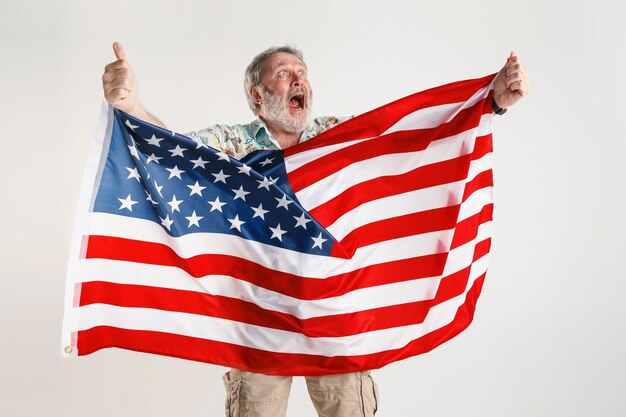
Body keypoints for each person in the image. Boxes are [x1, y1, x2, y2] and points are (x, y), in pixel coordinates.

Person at [102, 42, 529, 417]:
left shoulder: (338, 136)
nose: (297, 80)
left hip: (334, 315)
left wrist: (489, 102)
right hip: (259, 316)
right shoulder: (232, 142)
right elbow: (176, 153)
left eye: (301, 73)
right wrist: (133, 107)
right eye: (284, 74)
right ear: (258, 94)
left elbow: (411, 135)